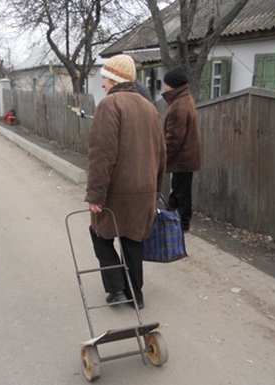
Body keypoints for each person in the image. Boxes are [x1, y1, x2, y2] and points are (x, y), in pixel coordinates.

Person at [86, 54, 166, 309]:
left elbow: (102, 154)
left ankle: (117, 289)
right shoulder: (149, 107)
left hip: (116, 191)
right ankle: (136, 296)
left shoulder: (110, 105)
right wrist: (155, 189)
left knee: (100, 233)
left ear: (116, 79)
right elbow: (161, 154)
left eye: (106, 78)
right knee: (132, 239)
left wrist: (96, 195)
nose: (102, 84)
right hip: (144, 191)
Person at [162, 67, 201, 233]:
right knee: (179, 190)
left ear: (173, 86)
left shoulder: (179, 105)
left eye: (167, 84)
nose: (164, 88)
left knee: (181, 192)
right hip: (185, 157)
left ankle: (182, 224)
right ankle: (174, 220)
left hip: (182, 158)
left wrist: (163, 156)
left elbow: (174, 138)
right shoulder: (184, 100)